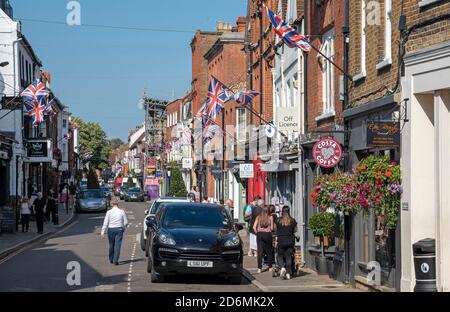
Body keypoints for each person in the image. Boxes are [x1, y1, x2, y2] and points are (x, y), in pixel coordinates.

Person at [101, 199, 128, 265]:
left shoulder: (109, 212)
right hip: (119, 229)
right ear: (118, 204)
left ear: (112, 204)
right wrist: (124, 228)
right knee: (117, 245)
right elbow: (126, 222)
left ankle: (111, 259)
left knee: (111, 244)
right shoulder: (122, 211)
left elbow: (105, 222)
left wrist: (102, 232)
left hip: (111, 229)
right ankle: (116, 260)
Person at [275, 206, 298, 280]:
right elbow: (295, 230)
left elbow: (275, 229)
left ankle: (282, 268)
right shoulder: (293, 220)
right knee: (289, 256)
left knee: (280, 256)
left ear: (282, 211)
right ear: (289, 211)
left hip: (281, 240)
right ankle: (288, 273)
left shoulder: (278, 220)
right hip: (290, 240)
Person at [253, 205, 274, 274]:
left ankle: (259, 268)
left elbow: (254, 227)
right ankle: (270, 267)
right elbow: (272, 228)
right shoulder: (270, 217)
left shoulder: (258, 217)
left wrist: (257, 233)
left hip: (260, 234)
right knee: (269, 251)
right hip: (268, 234)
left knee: (260, 251)